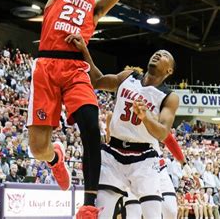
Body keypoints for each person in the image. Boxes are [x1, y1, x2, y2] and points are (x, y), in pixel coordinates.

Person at [27, 0, 135, 219]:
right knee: (38, 149)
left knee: (91, 130)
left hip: (76, 70)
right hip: (46, 66)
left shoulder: (96, 8)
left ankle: (89, 204)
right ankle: (55, 158)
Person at [68, 34, 179, 219]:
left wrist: (146, 118)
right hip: (114, 154)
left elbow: (162, 133)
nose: (158, 55)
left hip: (144, 158)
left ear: (169, 71)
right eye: (157, 52)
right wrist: (85, 51)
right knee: (101, 214)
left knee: (155, 215)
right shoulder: (128, 77)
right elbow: (97, 80)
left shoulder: (168, 96)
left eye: (164, 55)